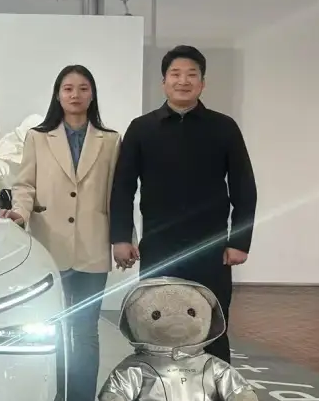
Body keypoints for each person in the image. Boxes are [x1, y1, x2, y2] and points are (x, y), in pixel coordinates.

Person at [109, 45, 256, 365]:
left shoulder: (224, 127)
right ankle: (153, 396)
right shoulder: (142, 128)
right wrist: (121, 237)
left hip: (211, 248)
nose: (183, 81)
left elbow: (244, 187)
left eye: (192, 74)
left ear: (203, 83)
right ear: (164, 82)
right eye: (175, 74)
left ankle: (216, 396)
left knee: (212, 326)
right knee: (153, 324)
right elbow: (122, 187)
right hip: (159, 247)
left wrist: (239, 240)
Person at [0, 65, 121, 401]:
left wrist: (122, 237)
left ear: (92, 94)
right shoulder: (39, 138)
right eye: (68, 88)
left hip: (92, 246)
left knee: (84, 332)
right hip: (49, 246)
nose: (75, 95)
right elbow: (25, 185)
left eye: (83, 88)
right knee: (47, 330)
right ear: (57, 94)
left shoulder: (110, 140)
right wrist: (19, 214)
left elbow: (118, 194)